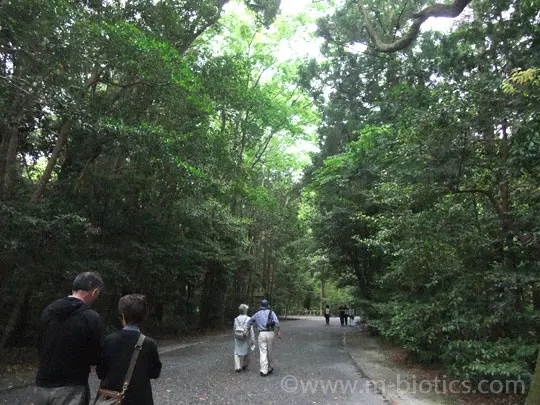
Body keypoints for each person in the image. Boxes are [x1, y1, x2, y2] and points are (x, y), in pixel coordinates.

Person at [34, 271, 104, 405]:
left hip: (42, 383)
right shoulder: (91, 318)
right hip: (71, 386)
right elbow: (95, 357)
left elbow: (40, 343)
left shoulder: (49, 311)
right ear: (94, 292)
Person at [96, 294, 162, 405]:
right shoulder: (149, 344)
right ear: (143, 317)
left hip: (112, 399)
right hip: (141, 399)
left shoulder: (109, 341)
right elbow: (155, 373)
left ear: (122, 315)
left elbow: (101, 373)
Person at [247, 299, 280, 377]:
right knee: (270, 351)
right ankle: (269, 367)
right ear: (267, 305)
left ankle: (263, 370)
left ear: (261, 306)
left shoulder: (257, 314)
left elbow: (249, 322)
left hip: (261, 334)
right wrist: (277, 330)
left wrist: (248, 329)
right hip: (270, 333)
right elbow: (277, 323)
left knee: (263, 352)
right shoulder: (271, 312)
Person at [233, 304, 255, 372]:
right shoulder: (248, 319)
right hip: (246, 337)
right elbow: (251, 330)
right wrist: (253, 339)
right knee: (247, 351)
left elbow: (234, 328)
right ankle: (245, 365)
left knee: (236, 352)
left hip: (237, 337)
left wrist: (235, 335)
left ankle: (238, 367)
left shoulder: (236, 319)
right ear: (245, 311)